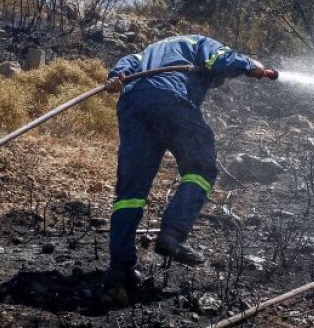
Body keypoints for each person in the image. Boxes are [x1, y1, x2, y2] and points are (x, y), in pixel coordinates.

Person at [99, 34, 272, 306]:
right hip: (169, 97)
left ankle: (119, 272)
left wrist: (116, 76)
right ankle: (172, 234)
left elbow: (128, 63)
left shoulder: (150, 51)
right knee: (201, 168)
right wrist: (251, 65)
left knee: (130, 193)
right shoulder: (198, 42)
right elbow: (221, 58)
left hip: (132, 105)